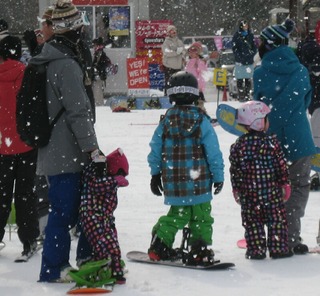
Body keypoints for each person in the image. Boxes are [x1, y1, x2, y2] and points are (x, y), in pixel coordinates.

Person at [28, 0, 102, 282]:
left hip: (53, 148)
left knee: (66, 209)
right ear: (70, 29)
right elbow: (78, 113)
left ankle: (67, 263)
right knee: (65, 211)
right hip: (67, 150)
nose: (82, 30)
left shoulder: (47, 58)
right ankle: (54, 268)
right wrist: (93, 150)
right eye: (79, 25)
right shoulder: (66, 64)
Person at [147, 71, 224, 266]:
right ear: (195, 95)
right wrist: (218, 175)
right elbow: (213, 151)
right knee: (201, 216)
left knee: (178, 214)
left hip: (175, 181)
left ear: (171, 96)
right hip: (199, 180)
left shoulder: (165, 122)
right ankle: (199, 248)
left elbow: (155, 149)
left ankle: (160, 244)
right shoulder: (202, 121)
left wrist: (155, 174)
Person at [253, 19, 317, 255]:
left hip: (269, 141)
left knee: (271, 187)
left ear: (267, 45)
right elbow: (305, 101)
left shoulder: (260, 73)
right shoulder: (300, 70)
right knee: (298, 186)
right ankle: (290, 237)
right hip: (299, 139)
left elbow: (257, 105)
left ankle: (271, 236)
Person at [229, 101, 293, 259]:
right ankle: (278, 249)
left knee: (252, 222)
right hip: (271, 193)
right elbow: (281, 166)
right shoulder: (271, 142)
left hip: (249, 195)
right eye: (266, 119)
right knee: (276, 220)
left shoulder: (239, 145)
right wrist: (284, 183)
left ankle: (256, 250)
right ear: (258, 122)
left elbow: (235, 171)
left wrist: (237, 188)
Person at [0, 22, 40, 256]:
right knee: (26, 194)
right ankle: (29, 240)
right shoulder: (28, 75)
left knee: (1, 194)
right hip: (25, 144)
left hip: (1, 146)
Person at [79, 148, 129, 284]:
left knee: (112, 243)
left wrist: (111, 225)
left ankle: (115, 269)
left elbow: (108, 207)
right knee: (103, 243)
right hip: (90, 216)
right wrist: (113, 181)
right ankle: (104, 268)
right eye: (119, 173)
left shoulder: (108, 181)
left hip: (103, 218)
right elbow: (95, 186)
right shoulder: (95, 175)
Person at [297, 29, 320, 191]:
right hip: (317, 102)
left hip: (316, 101)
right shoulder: (311, 50)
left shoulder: (308, 50)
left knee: (317, 137)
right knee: (317, 137)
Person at [232, 20, 257, 101]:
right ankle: (241, 95)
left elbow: (254, 47)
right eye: (244, 26)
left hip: (249, 60)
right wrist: (239, 57)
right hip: (240, 61)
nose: (246, 27)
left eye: (247, 25)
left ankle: (247, 95)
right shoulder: (237, 36)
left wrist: (252, 54)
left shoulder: (250, 35)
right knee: (239, 79)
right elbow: (235, 48)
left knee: (248, 79)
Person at [161, 25, 185, 95]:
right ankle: (167, 98)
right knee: (169, 84)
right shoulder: (166, 42)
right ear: (168, 32)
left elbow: (184, 51)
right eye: (172, 31)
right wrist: (177, 53)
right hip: (169, 67)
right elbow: (166, 52)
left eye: (175, 30)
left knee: (178, 85)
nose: (174, 32)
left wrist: (182, 52)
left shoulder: (179, 42)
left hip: (178, 68)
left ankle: (178, 98)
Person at [185, 42, 208, 108]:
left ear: (198, 52)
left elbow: (202, 75)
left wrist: (199, 87)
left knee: (199, 105)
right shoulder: (190, 61)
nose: (191, 53)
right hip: (190, 86)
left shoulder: (199, 62)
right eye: (190, 51)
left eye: (194, 51)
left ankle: (201, 113)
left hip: (197, 87)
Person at [91, 37, 110, 106]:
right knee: (98, 90)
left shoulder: (99, 53)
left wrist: (94, 69)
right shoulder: (99, 52)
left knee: (97, 91)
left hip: (98, 75)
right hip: (99, 75)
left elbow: (97, 64)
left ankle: (98, 104)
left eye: (94, 45)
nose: (93, 47)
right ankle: (98, 103)